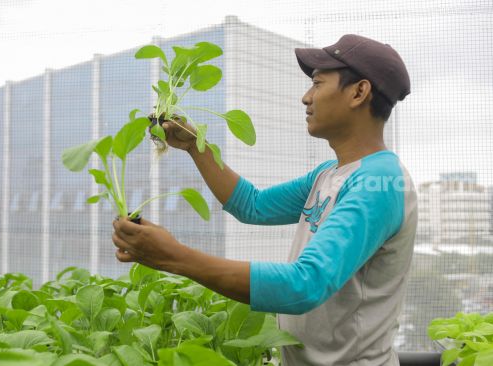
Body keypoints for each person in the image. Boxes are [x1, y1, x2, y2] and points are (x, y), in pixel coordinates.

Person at [111, 34, 417, 365]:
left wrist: (174, 257)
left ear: (359, 92)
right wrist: (194, 146)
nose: (306, 97)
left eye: (317, 84)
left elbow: (305, 285)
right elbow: (252, 205)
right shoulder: (331, 174)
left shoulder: (379, 183)